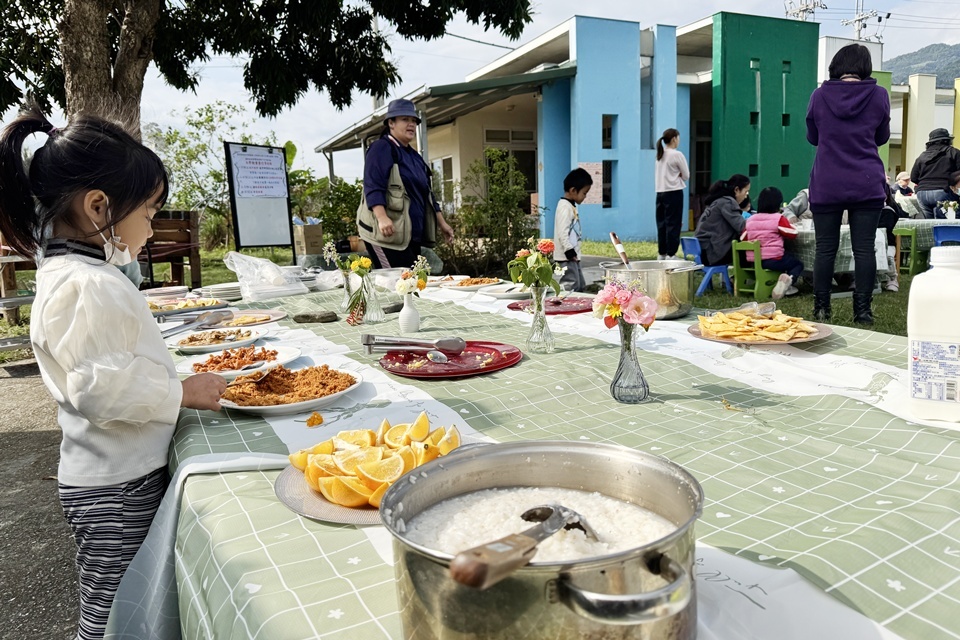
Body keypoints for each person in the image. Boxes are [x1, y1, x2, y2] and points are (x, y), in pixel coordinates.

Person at [0, 104, 227, 640]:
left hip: (116, 476)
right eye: (149, 213)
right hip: (116, 487)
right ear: (99, 206)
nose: (153, 227)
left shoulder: (78, 274)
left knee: (124, 593)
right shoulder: (86, 284)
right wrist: (180, 391)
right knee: (116, 604)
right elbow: (99, 387)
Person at [806, 43, 890, 325]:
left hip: (827, 180)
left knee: (825, 248)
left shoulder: (819, 96)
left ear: (836, 67)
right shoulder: (879, 95)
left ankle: (821, 309)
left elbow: (813, 138)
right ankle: (863, 312)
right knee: (865, 249)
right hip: (866, 180)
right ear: (865, 67)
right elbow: (881, 137)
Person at [357, 98, 454, 268]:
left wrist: (442, 223)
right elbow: (372, 185)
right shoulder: (381, 148)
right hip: (385, 235)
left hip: (408, 236)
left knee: (411, 285)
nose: (411, 124)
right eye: (405, 119)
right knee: (394, 285)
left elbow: (427, 193)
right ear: (391, 123)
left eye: (413, 121)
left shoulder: (414, 157)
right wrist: (382, 217)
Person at [740, 187, 802, 300]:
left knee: (786, 257)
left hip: (754, 261)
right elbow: (792, 234)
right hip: (774, 259)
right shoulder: (778, 218)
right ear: (778, 203)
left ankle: (780, 281)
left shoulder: (751, 220)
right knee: (797, 264)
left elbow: (743, 238)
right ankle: (789, 281)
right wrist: (792, 225)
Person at [694, 174, 750, 266]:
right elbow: (742, 227)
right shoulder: (728, 203)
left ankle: (735, 278)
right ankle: (740, 278)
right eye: (746, 192)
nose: (746, 196)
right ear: (736, 190)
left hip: (701, 251)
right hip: (711, 253)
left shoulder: (717, 201)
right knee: (748, 248)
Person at [552, 167, 593, 292]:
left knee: (580, 286)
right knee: (570, 285)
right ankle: (566, 308)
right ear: (573, 190)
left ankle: (579, 307)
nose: (585, 197)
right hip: (567, 256)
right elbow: (562, 231)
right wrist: (569, 251)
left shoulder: (569, 206)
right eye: (584, 193)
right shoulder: (565, 207)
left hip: (571, 256)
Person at [654, 128, 690, 260]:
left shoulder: (660, 154)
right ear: (674, 138)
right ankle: (671, 253)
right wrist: (678, 174)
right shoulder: (677, 155)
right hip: (673, 191)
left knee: (662, 223)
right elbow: (686, 175)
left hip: (660, 192)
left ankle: (662, 253)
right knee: (673, 223)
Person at [909, 128, 960, 219]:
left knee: (928, 225)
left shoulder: (922, 156)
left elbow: (913, 177)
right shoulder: (954, 152)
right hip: (943, 190)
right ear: (947, 140)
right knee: (945, 222)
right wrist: (951, 181)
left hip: (922, 193)